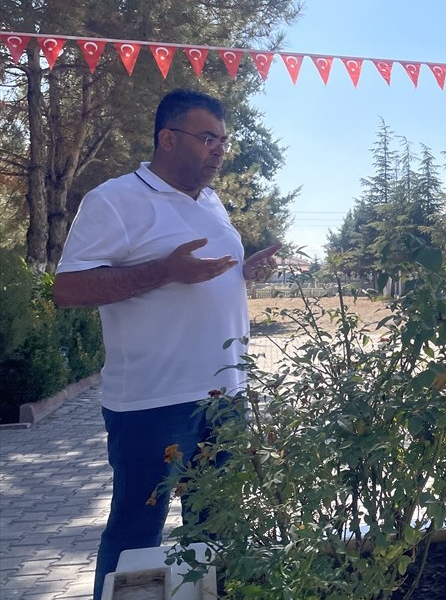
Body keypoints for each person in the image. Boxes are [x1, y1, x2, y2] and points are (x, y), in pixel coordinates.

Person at [52, 89, 281, 599]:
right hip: (154, 403)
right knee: (138, 533)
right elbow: (68, 290)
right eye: (207, 138)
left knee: (216, 525)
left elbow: (200, 281)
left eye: (222, 140)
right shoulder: (115, 199)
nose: (219, 149)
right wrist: (165, 271)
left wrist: (244, 273)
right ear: (167, 139)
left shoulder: (213, 202)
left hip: (224, 397)